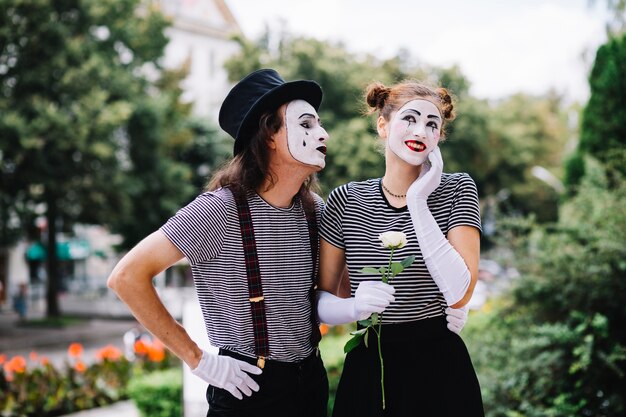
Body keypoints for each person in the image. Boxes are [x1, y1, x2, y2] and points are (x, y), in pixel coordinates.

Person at [108, 68, 330, 417]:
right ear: (269, 135)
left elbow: (338, 292)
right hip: (248, 388)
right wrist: (199, 361)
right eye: (306, 125)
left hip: (311, 383)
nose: (322, 134)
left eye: (318, 124)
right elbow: (126, 276)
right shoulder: (219, 211)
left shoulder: (313, 210)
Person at [316, 80, 484, 416]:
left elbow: (460, 293)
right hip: (369, 364)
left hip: (439, 367)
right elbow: (320, 299)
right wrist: (353, 309)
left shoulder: (456, 188)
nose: (420, 131)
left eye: (431, 124)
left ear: (439, 138)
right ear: (383, 125)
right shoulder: (345, 201)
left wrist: (419, 200)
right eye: (410, 119)